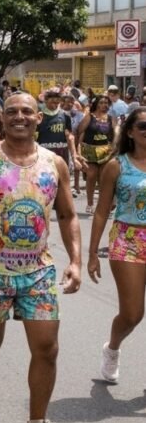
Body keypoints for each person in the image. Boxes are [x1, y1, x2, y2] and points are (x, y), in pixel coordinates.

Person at [0, 93, 82, 423]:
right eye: (11, 111)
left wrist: (75, 260)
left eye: (27, 111)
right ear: (1, 118)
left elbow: (69, 214)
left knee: (47, 348)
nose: (19, 117)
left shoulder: (55, 163)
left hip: (38, 272)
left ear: (39, 118)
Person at [87, 106, 146, 385]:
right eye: (143, 127)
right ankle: (112, 348)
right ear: (131, 132)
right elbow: (101, 211)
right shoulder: (116, 165)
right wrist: (91, 253)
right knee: (133, 313)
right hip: (128, 240)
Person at [77, 94, 115, 214]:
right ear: (96, 104)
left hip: (106, 151)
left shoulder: (111, 118)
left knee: (105, 179)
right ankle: (90, 203)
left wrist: (115, 149)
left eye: (106, 103)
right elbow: (80, 133)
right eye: (101, 103)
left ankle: (106, 204)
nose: (104, 105)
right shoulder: (89, 117)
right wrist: (78, 152)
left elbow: (116, 134)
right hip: (90, 150)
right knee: (91, 175)